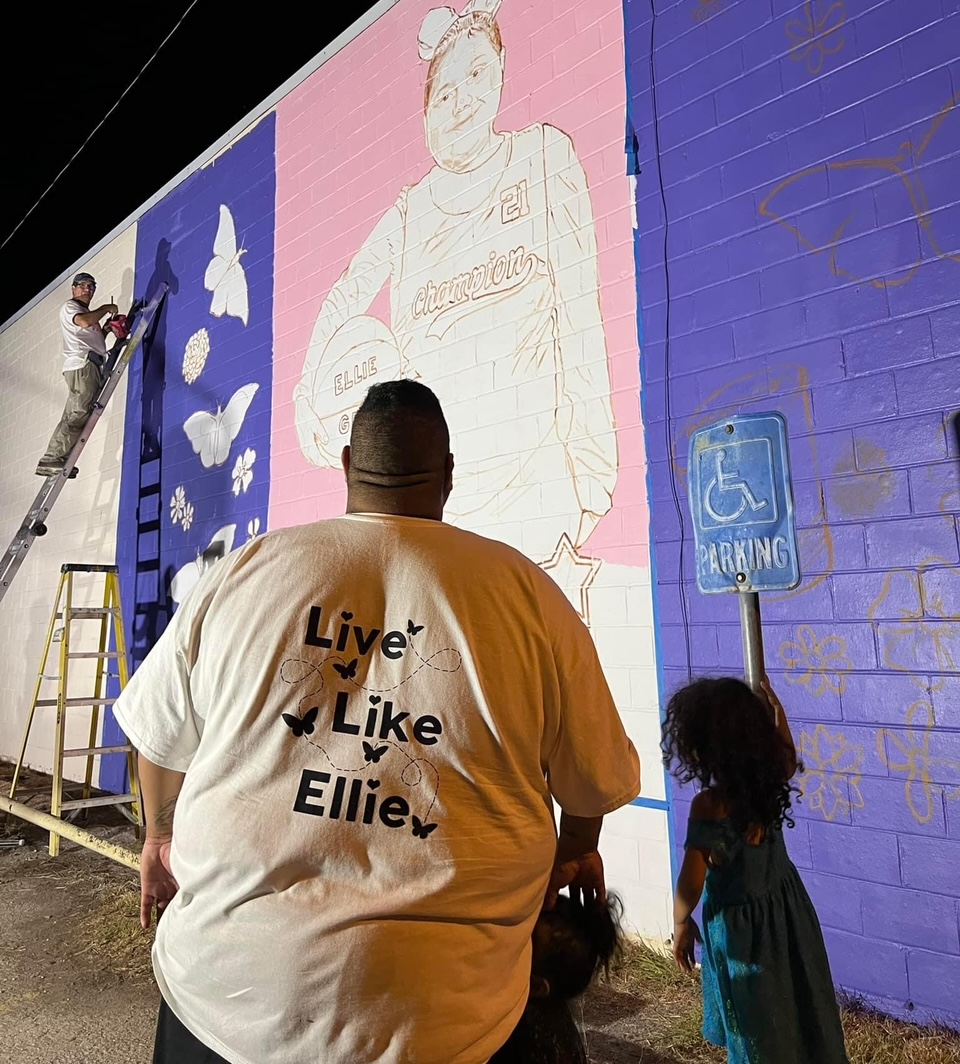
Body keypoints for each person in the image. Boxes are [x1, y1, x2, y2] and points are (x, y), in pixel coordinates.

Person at [113, 379, 641, 1064]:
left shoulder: (245, 571)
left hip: (228, 1003)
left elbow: (155, 735)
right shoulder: (527, 596)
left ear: (344, 466)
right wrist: (569, 851)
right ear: (449, 472)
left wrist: (159, 836)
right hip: (450, 1017)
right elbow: (593, 784)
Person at [294, 0, 617, 564]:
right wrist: (307, 395)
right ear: (425, 116)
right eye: (444, 91)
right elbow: (345, 296)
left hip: (539, 501)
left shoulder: (543, 158)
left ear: (499, 77)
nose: (461, 100)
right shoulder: (410, 213)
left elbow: (580, 316)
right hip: (439, 510)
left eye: (476, 75)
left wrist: (591, 477)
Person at [661, 676, 849, 1064]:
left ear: (702, 748)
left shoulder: (710, 807)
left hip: (741, 934)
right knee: (799, 1001)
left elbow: (690, 883)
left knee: (756, 1025)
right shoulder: (770, 783)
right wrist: (778, 714)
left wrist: (681, 923)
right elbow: (786, 754)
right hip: (788, 915)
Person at [490, 890, 623, 1064]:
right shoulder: (541, 1020)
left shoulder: (516, 1038)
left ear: (536, 986)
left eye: (522, 941)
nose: (506, 934)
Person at [35, 272, 119, 476]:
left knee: (76, 413)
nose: (87, 289)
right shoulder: (72, 307)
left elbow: (91, 337)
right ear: (73, 289)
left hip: (88, 365)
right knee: (78, 413)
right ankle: (51, 459)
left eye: (91, 286)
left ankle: (58, 458)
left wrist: (106, 329)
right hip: (83, 365)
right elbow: (82, 322)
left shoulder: (86, 312)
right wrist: (106, 308)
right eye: (82, 285)